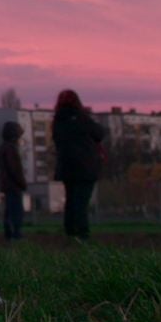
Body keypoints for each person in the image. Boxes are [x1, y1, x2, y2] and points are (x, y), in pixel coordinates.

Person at [51, 90, 106, 241]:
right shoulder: (82, 118)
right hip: (86, 167)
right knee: (82, 202)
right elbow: (99, 133)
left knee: (70, 200)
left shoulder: (58, 121)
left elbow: (57, 141)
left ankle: (70, 232)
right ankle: (83, 234)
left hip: (67, 167)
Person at [0, 121, 27, 241]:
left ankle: (10, 233)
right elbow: (14, 169)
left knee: (10, 210)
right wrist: (22, 182)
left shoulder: (4, 147)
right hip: (13, 185)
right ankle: (15, 234)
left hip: (8, 185)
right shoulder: (10, 149)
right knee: (15, 210)